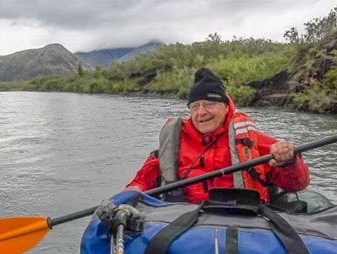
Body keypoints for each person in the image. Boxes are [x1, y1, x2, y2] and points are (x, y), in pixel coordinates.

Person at [125, 67, 309, 203]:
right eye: (195, 106)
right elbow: (140, 182)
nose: (201, 112)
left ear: (226, 107)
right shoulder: (175, 141)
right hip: (185, 221)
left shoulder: (252, 139)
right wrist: (127, 196)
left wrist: (289, 161)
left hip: (245, 219)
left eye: (209, 104)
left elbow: (297, 185)